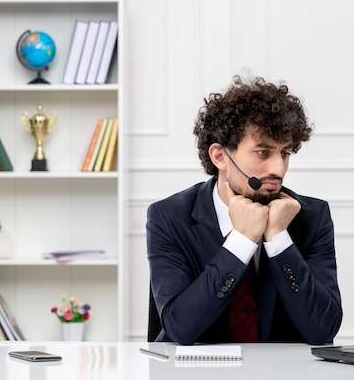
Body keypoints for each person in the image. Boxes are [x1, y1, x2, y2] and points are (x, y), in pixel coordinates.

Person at [146, 75, 342, 345]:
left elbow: (322, 330)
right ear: (219, 156)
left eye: (285, 153)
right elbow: (181, 329)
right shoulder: (168, 218)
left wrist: (279, 240)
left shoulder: (312, 217)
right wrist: (242, 241)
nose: (279, 169)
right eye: (263, 152)